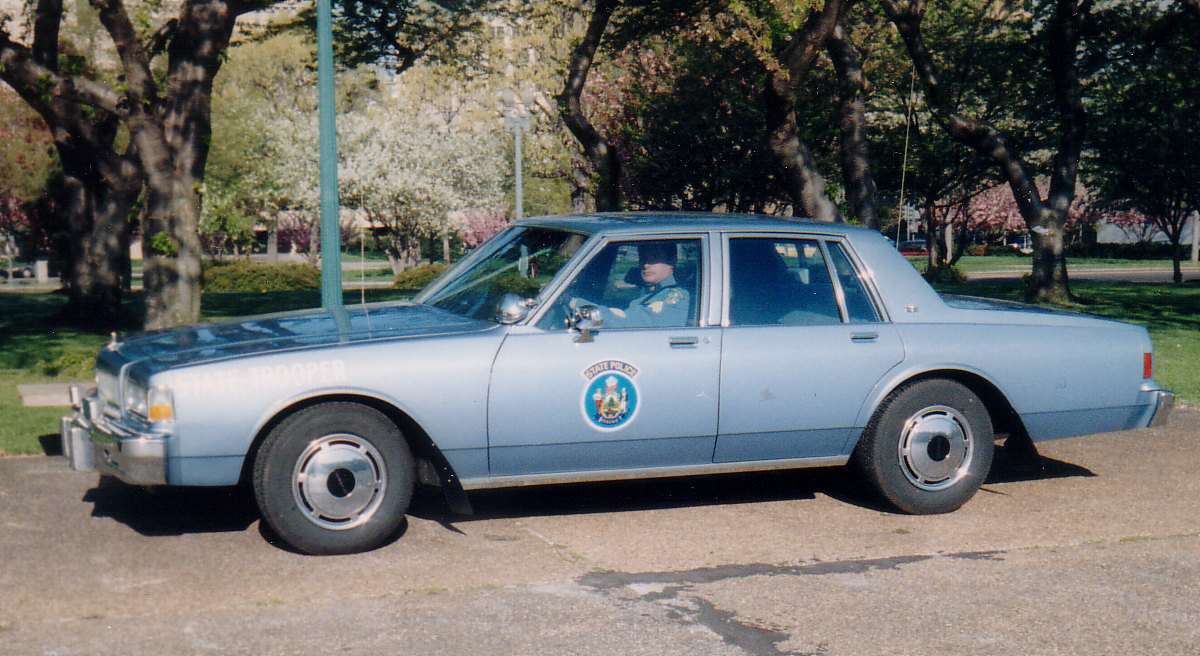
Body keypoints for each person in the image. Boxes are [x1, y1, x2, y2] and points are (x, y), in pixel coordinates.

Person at [573, 241, 690, 328]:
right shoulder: (649, 290)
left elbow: (628, 322)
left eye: (654, 259)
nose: (646, 265)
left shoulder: (674, 297)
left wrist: (578, 305)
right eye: (643, 259)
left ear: (672, 261)